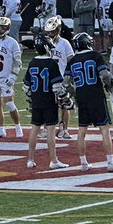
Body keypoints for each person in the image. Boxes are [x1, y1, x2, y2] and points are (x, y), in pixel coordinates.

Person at [65, 32, 113, 172]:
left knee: (81, 131)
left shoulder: (72, 61)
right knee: (104, 129)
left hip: (82, 96)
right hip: (96, 95)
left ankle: (83, 163)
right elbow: (104, 75)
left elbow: (66, 83)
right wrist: (109, 85)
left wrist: (74, 94)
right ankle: (110, 162)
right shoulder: (95, 56)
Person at [24, 36, 69, 170]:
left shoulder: (32, 62)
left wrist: (34, 97)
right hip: (49, 101)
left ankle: (30, 159)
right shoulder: (51, 63)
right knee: (50, 130)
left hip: (37, 101)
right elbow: (57, 88)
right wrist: (65, 99)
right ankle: (53, 160)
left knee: (34, 129)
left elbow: (26, 87)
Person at [0, 15, 24, 138]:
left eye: (3, 28)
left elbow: (18, 61)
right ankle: (1, 129)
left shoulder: (13, 43)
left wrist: (13, 75)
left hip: (5, 77)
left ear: (7, 28)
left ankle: (18, 126)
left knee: (9, 103)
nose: (0, 30)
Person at [45, 15, 76, 140]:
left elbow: (70, 60)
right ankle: (47, 128)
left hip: (61, 78)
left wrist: (70, 77)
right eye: (49, 32)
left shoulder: (64, 43)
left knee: (64, 104)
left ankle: (64, 129)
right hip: (48, 78)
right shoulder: (45, 43)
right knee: (48, 105)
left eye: (53, 31)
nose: (51, 34)